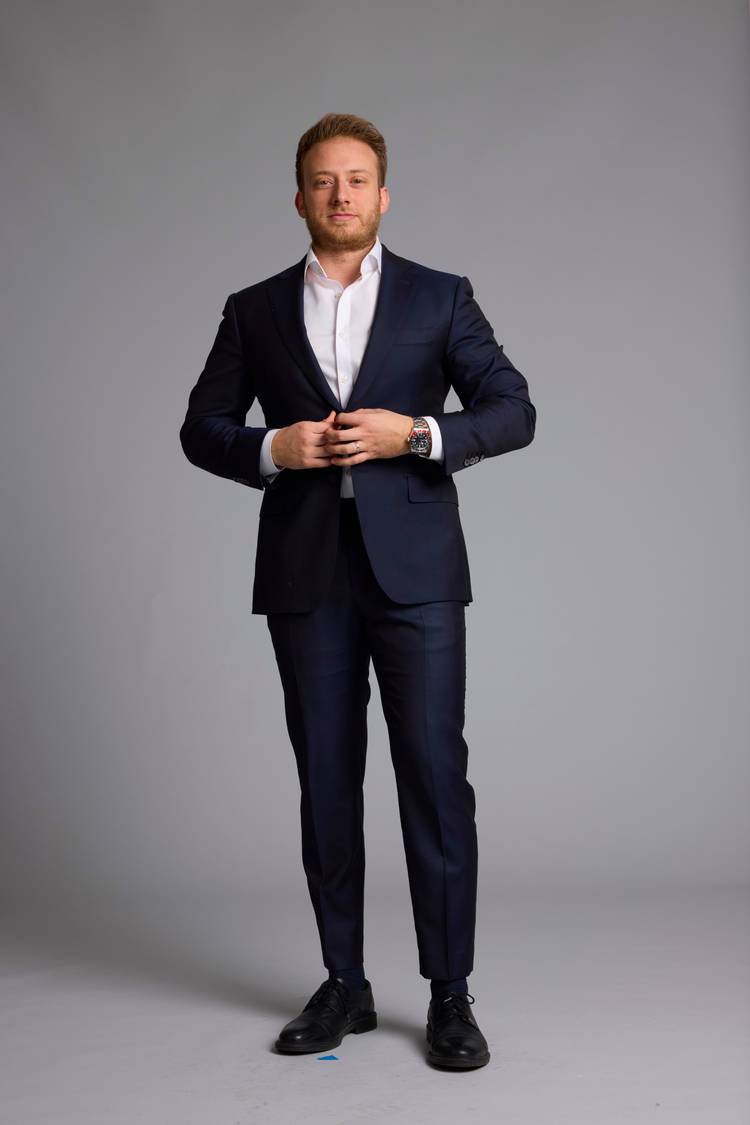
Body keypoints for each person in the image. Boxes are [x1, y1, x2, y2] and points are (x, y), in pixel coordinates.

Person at [179, 112, 536, 1070]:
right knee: (327, 780)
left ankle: (450, 993)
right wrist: (273, 446)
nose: (341, 194)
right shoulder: (254, 309)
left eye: (358, 179)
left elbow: (513, 409)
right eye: (323, 180)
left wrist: (414, 433)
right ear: (299, 197)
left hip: (416, 572)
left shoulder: (439, 296)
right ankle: (345, 982)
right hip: (307, 570)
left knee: (434, 777)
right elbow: (201, 426)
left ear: (384, 194)